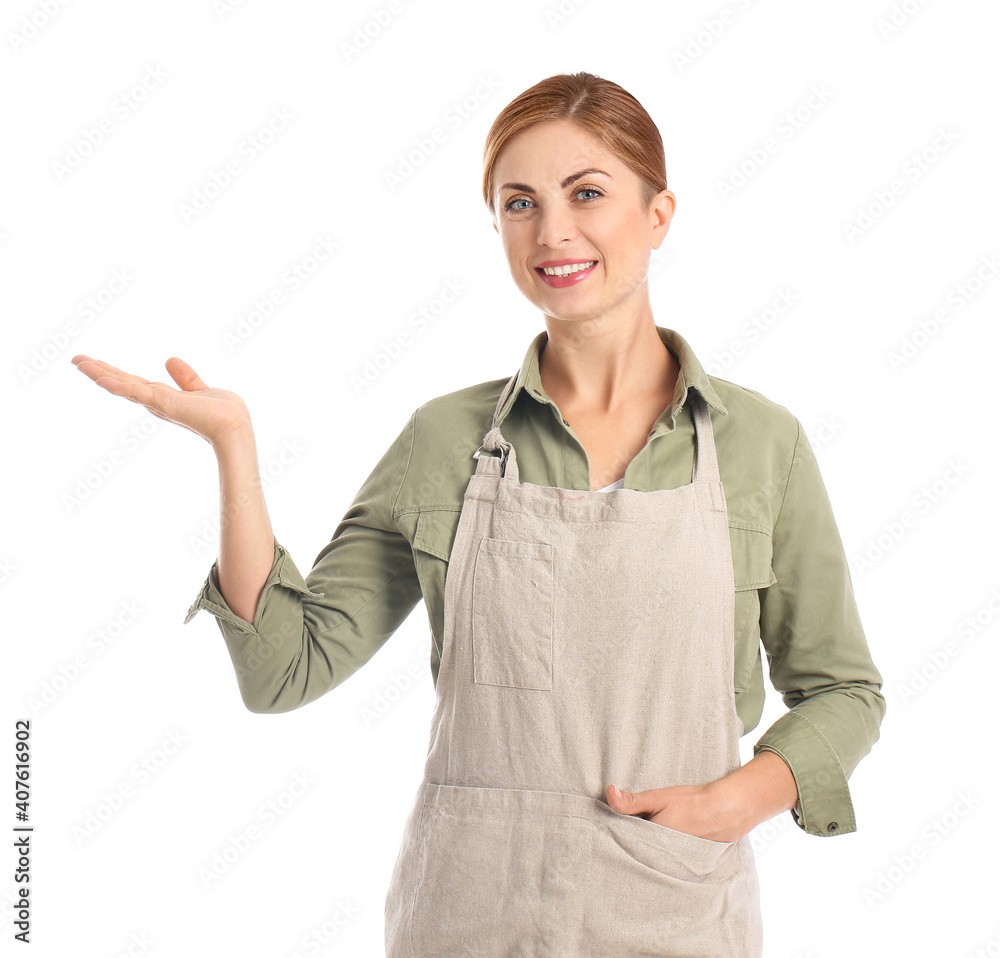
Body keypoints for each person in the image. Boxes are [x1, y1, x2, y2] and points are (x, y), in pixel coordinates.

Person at [72, 72, 885, 957]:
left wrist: (738, 800)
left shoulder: (760, 445)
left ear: (658, 215)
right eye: (519, 202)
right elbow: (285, 672)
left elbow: (843, 691)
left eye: (587, 193)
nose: (553, 231)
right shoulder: (444, 438)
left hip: (674, 913)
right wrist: (234, 449)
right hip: (467, 916)